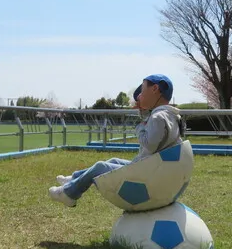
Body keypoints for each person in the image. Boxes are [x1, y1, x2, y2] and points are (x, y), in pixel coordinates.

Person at [48, 74, 182, 207]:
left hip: (146, 172)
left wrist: (140, 126)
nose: (139, 96)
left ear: (155, 89)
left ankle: (69, 194)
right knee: (113, 161)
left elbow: (150, 145)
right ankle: (74, 179)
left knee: (101, 166)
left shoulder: (158, 117)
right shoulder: (171, 115)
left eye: (142, 90)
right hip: (151, 166)